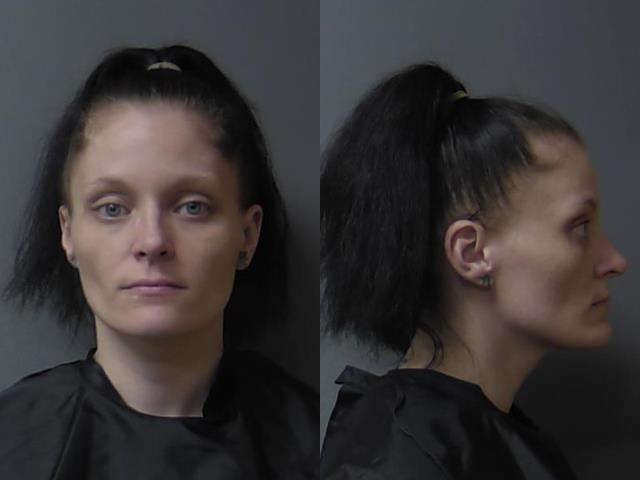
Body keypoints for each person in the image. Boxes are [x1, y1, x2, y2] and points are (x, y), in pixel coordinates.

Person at [0, 45, 317, 479]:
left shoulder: (323, 445)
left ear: (248, 235)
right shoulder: (12, 444)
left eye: (192, 207)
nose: (152, 241)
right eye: (112, 208)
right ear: (68, 233)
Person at [320, 63, 627, 479]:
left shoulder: (469, 435)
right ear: (472, 252)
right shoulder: (402, 461)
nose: (614, 261)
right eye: (580, 227)